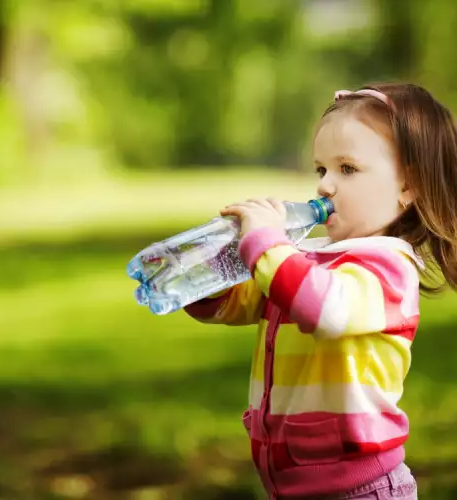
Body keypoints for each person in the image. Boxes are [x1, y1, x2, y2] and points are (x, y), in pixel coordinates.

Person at [184, 83, 457, 499]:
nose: (325, 186)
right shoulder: (306, 258)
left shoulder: (388, 269)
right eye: (320, 170)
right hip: (294, 485)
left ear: (408, 187)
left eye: (347, 169)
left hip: (361, 488)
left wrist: (267, 244)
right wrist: (205, 276)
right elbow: (243, 301)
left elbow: (322, 306)